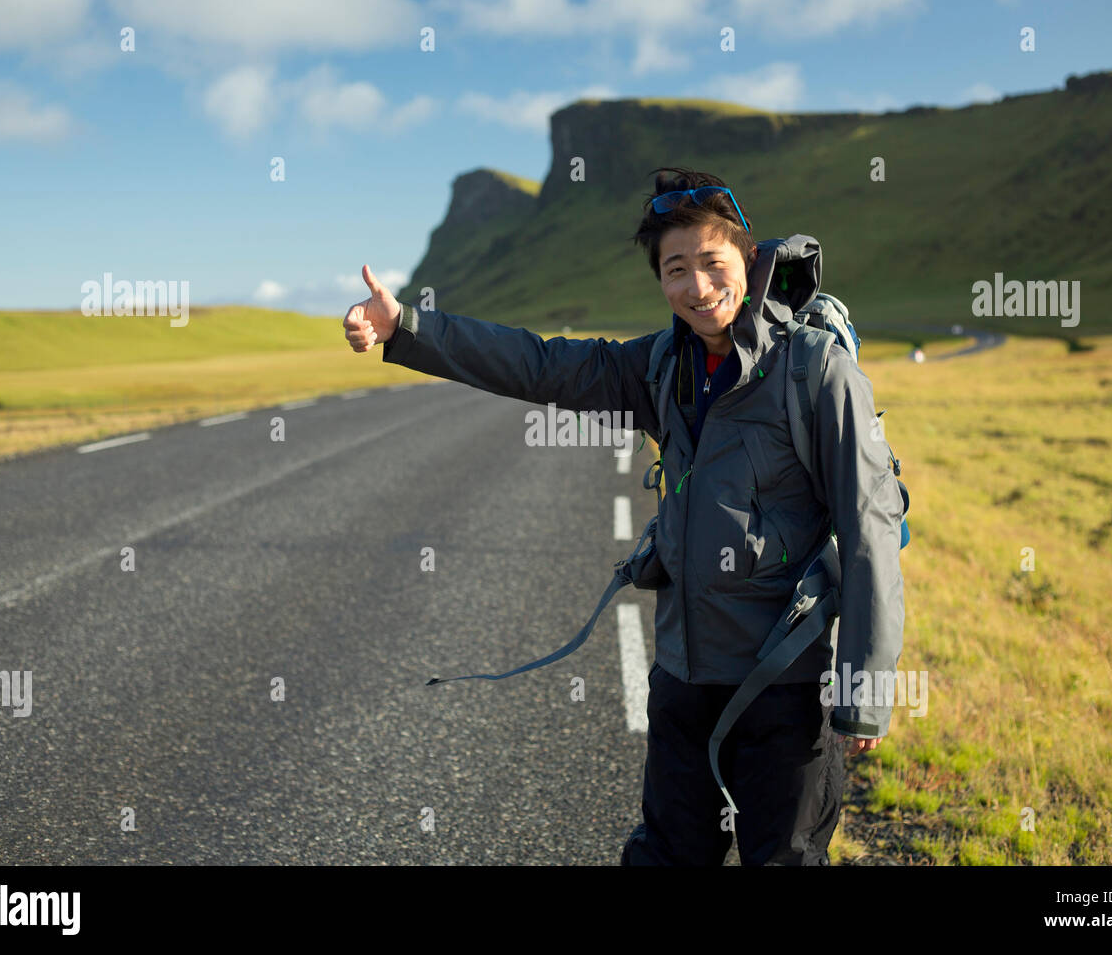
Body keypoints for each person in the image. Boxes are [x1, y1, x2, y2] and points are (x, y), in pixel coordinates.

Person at [342, 167, 905, 866]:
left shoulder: (815, 373)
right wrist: (410, 329)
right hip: (680, 680)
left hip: (783, 690)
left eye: (712, 263)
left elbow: (869, 530)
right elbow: (540, 365)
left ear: (749, 259)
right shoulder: (659, 365)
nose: (697, 287)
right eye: (676, 269)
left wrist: (865, 688)